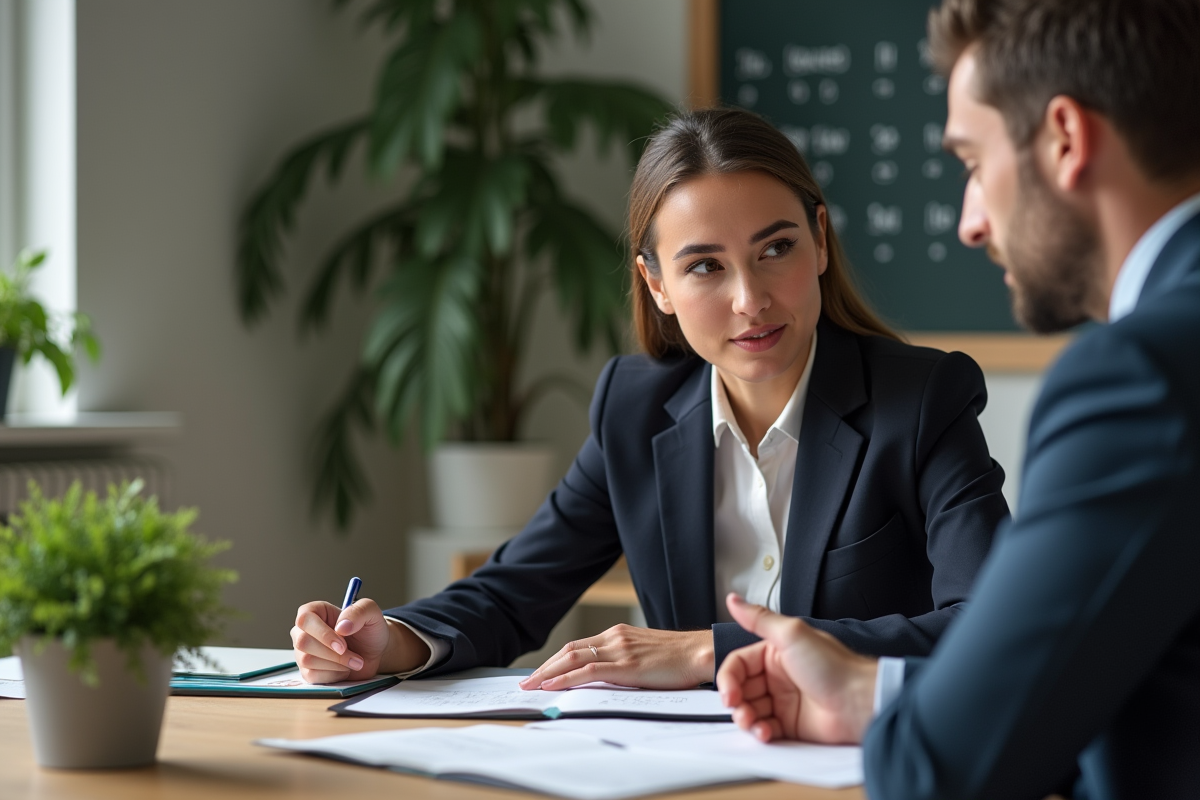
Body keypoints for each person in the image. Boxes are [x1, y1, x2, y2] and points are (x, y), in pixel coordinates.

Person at [289, 108, 1008, 692]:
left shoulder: (922, 401)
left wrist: (707, 651)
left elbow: (985, 624)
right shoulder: (634, 408)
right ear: (657, 284)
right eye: (704, 266)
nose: (750, 300)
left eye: (776, 249)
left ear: (820, 242)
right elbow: (513, 593)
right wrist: (388, 643)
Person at [715, 1, 1200, 798]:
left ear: (1066, 140)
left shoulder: (1137, 378)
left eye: (973, 163)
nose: (969, 223)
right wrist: (878, 694)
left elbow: (943, 771)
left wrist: (915, 724)